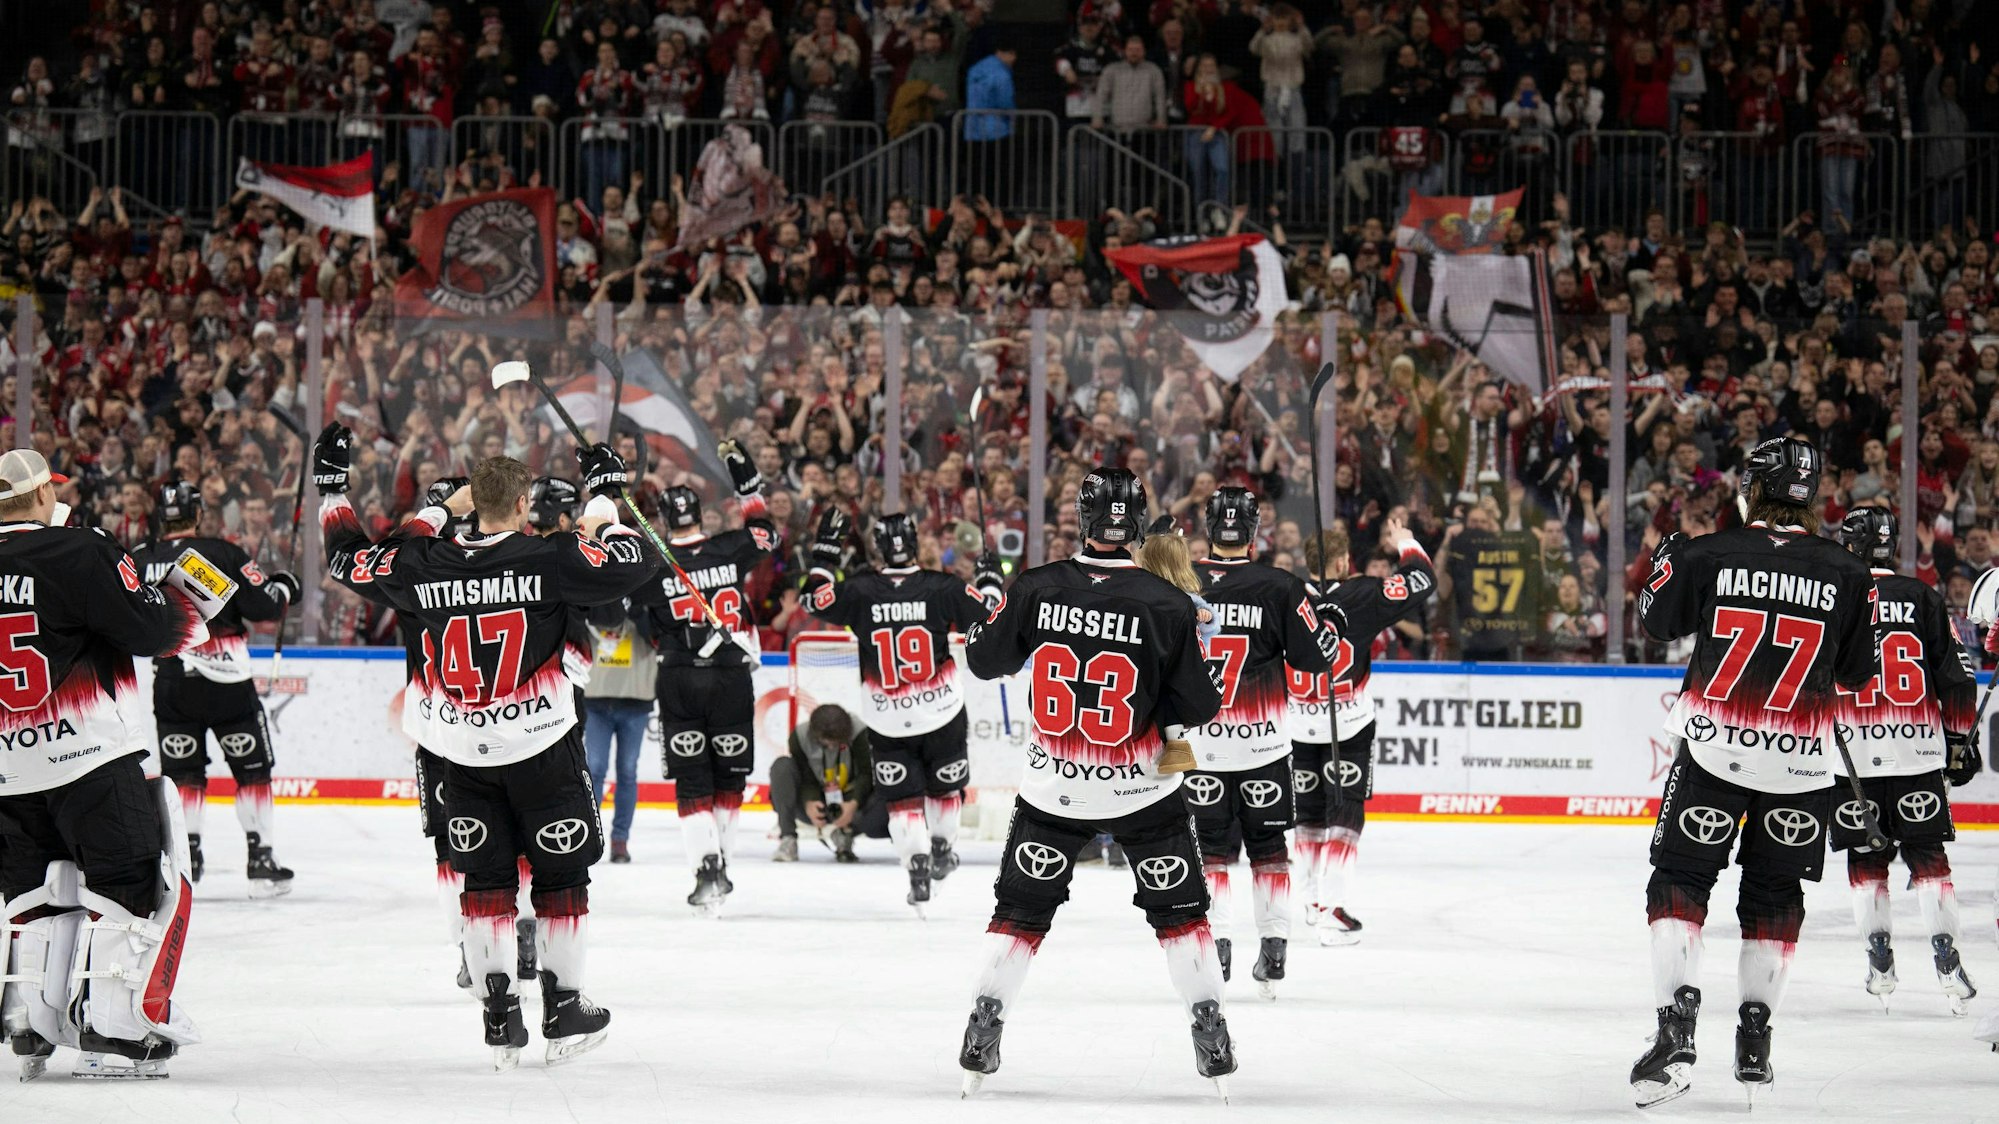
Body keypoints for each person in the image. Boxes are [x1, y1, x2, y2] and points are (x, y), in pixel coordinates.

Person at [316, 425, 660, 1070]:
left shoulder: (423, 561)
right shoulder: (549, 557)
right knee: (561, 875)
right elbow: (633, 562)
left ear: (471, 501)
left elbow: (348, 559)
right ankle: (563, 1008)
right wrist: (605, 495)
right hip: (542, 749)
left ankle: (498, 1014)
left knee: (484, 879)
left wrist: (336, 491)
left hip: (463, 756)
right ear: (525, 503)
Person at [959, 466, 1232, 1098]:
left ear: (1082, 518)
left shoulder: (1036, 586)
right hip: (1143, 790)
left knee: (1021, 911)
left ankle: (984, 1022)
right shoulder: (1167, 603)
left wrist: (991, 600)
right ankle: (1209, 1026)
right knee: (1181, 914)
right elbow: (1198, 707)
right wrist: (1201, 654)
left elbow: (984, 659)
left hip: (1053, 788)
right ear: (1136, 523)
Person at [1632, 436, 1877, 1107]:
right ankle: (1754, 1037)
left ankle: (1675, 1026)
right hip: (1801, 765)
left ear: (1754, 488)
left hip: (1714, 751)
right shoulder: (1847, 570)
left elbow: (1657, 623)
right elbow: (1859, 673)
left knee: (1679, 881)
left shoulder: (1708, 551)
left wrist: (1663, 562)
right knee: (1774, 898)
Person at [0, 449, 216, 1079]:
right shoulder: (78, 549)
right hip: (87, 754)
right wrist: (189, 605)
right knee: (130, 881)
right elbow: (152, 630)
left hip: (7, 768)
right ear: (44, 495)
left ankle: (30, 1021)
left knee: (36, 893)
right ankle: (118, 1029)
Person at [1184, 486, 1339, 998]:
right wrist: (1328, 623)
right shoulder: (1281, 586)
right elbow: (1317, 660)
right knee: (1269, 849)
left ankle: (1219, 943)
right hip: (1264, 748)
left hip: (1201, 748)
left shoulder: (1181, 582)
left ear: (1209, 527)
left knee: (1211, 851)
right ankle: (1274, 945)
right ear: (1254, 531)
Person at [801, 508, 996, 912]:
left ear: (878, 548)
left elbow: (812, 598)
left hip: (887, 716)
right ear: (914, 543)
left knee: (902, 800)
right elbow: (992, 613)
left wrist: (826, 551)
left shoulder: (860, 590)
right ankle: (942, 848)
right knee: (945, 790)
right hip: (941, 711)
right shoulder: (943, 587)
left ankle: (917, 865)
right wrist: (990, 578)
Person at [1831, 508, 1978, 1013]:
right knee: (1930, 859)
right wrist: (1959, 742)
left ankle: (1879, 959)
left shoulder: (1831, 597)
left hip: (1851, 763)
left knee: (1866, 863)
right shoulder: (1922, 596)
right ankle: (1947, 957)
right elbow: (1958, 678)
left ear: (1849, 545)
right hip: (1916, 756)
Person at [628, 442, 778, 914]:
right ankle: (723, 863)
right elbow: (766, 534)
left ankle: (706, 867)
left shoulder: (652, 565)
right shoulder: (729, 548)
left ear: (665, 520)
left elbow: (623, 607)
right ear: (700, 514)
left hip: (679, 680)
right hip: (731, 677)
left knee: (691, 779)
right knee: (729, 778)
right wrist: (748, 486)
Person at [132, 481, 301, 896]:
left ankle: (187, 860)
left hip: (172, 683)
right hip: (228, 688)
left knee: (183, 774)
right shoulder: (223, 552)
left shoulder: (139, 559)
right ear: (198, 513)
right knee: (253, 770)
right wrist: (285, 586)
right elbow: (265, 606)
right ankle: (261, 861)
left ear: (161, 516)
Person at [1291, 517, 1435, 946]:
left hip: (1297, 724)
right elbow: (1422, 579)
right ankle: (1333, 905)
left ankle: (1311, 901)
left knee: (1308, 814)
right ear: (1342, 562)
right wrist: (1405, 542)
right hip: (1349, 724)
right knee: (1346, 811)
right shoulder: (1363, 594)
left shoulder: (1283, 595)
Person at [769, 704, 882, 862]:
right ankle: (788, 838)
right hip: (817, 801)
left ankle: (846, 833)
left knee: (885, 783)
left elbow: (867, 774)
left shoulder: (861, 733)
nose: (831, 748)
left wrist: (853, 803)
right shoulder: (800, 737)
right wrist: (809, 801)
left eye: (837, 744)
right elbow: (806, 776)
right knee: (782, 766)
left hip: (854, 803)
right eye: (825, 744)